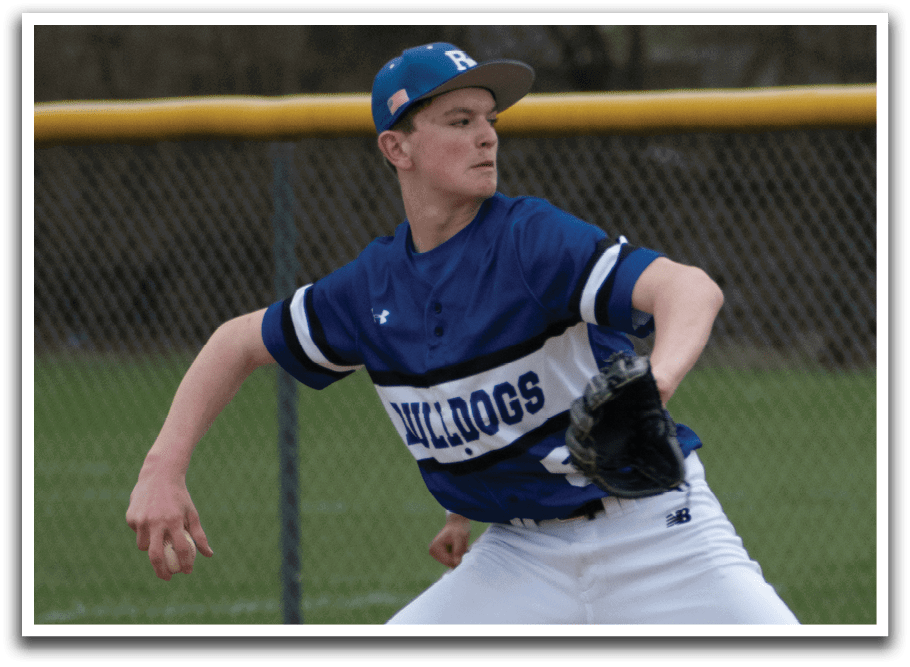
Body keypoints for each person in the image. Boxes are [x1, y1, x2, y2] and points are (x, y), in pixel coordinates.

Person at [126, 43, 799, 624]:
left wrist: (657, 378)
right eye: (459, 120)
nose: (488, 135)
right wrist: (164, 466)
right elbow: (237, 341)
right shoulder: (370, 289)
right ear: (397, 147)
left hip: (657, 532)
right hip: (522, 554)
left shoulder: (530, 238)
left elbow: (690, 289)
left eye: (490, 118)